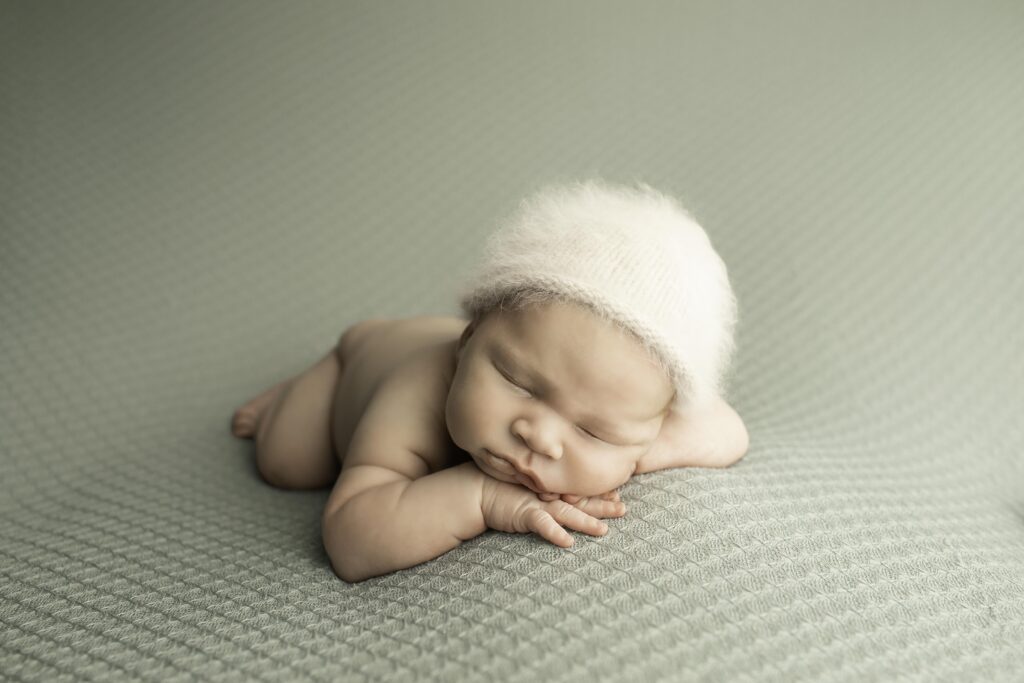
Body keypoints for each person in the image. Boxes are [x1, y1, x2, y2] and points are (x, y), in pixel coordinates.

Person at [231, 178, 749, 582]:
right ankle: (312, 375)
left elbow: (730, 432)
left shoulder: (636, 418)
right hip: (364, 367)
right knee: (288, 461)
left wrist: (633, 455)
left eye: (595, 431)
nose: (540, 436)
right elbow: (350, 539)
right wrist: (483, 497)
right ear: (468, 341)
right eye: (518, 382)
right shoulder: (413, 400)